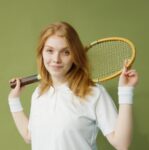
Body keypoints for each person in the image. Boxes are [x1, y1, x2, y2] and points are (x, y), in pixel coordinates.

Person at [8, 21, 138, 150]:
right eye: (50, 51)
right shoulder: (38, 93)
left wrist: (125, 91)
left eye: (65, 52)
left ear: (75, 56)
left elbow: (122, 144)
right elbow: (29, 136)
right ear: (41, 53)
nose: (56, 59)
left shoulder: (93, 93)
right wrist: (13, 100)